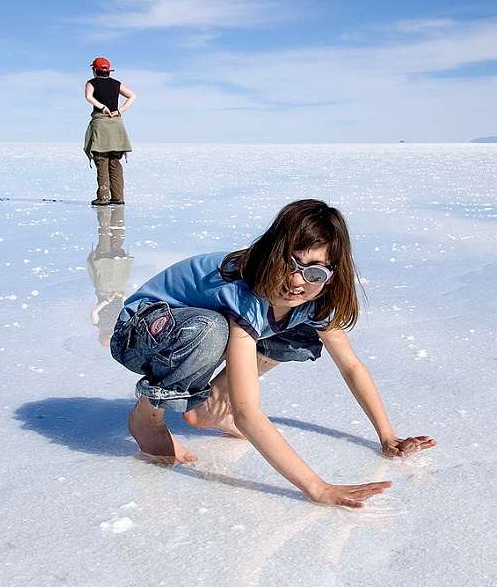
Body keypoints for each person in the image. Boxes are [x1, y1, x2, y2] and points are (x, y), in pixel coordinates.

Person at [110, 199, 436, 508]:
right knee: (211, 329)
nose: (296, 281)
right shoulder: (244, 292)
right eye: (289, 263)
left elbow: (350, 366)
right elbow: (247, 412)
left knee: (301, 331)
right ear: (271, 253)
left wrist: (388, 436)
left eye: (314, 273)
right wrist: (317, 487)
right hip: (140, 333)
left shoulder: (315, 300)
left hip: (193, 333)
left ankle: (211, 405)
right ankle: (149, 413)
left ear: (331, 276)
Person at [84, 57, 135, 206]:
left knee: (101, 160)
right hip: (116, 125)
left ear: (94, 70)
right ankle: (118, 197)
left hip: (101, 124)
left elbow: (88, 97)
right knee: (115, 161)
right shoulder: (116, 84)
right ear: (109, 71)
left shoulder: (91, 83)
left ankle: (103, 197)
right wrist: (120, 110)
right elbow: (133, 96)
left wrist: (101, 107)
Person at [87, 205, 133, 346]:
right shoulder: (119, 323)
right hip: (115, 286)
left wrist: (108, 300)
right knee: (114, 249)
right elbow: (127, 306)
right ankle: (113, 219)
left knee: (109, 249)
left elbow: (95, 312)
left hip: (106, 287)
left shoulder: (100, 324)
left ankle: (108, 219)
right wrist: (120, 296)